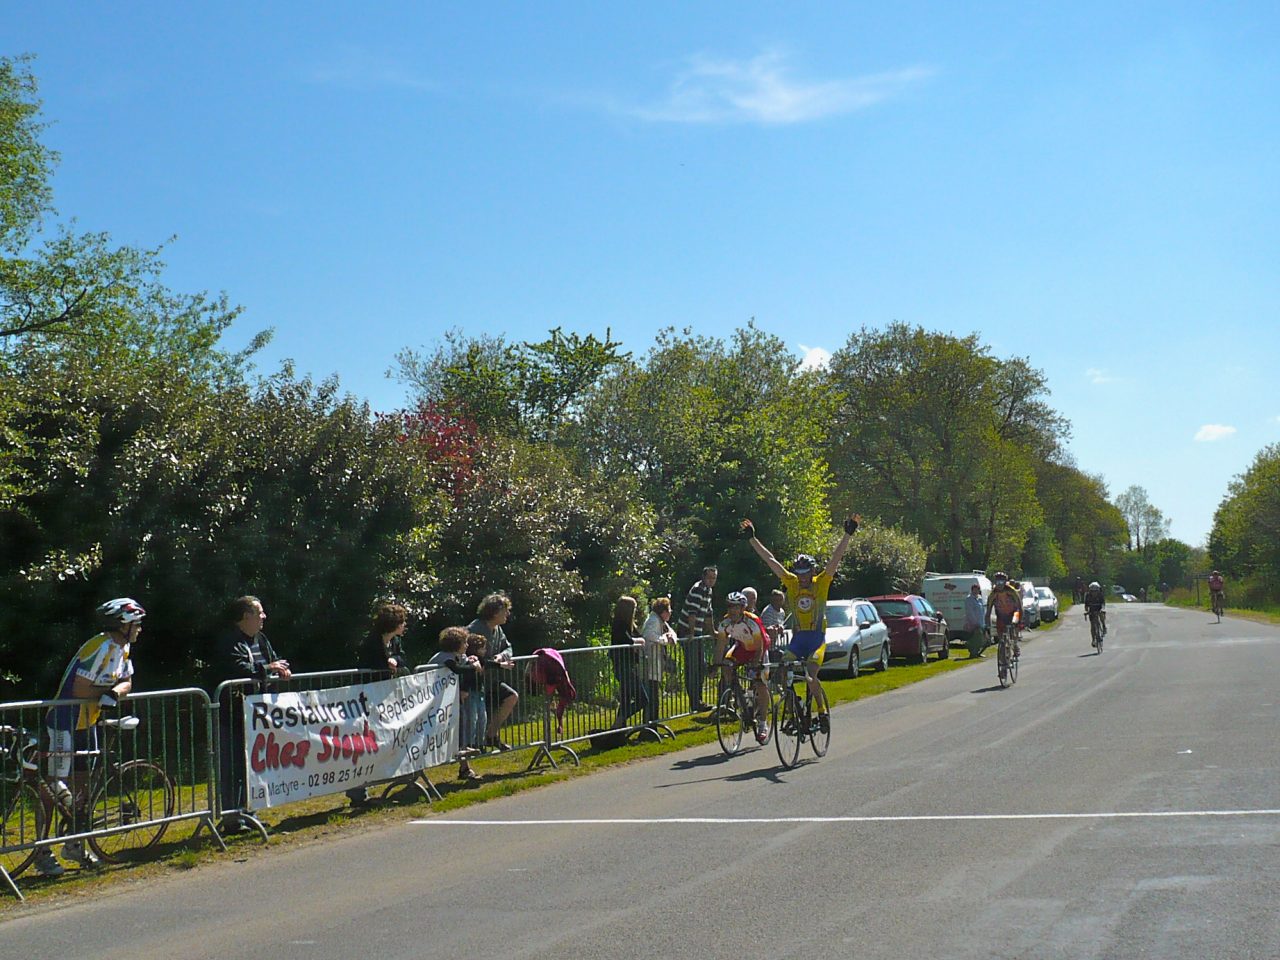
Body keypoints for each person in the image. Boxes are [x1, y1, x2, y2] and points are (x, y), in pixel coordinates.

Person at [35, 598, 145, 877]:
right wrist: (107, 694)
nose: (140, 629)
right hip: (65, 722)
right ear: (123, 625)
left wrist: (114, 693)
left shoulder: (123, 647)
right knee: (52, 788)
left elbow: (128, 681)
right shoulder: (99, 647)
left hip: (89, 722)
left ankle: (74, 843)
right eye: (136, 623)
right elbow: (81, 691)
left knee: (83, 786)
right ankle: (41, 851)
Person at [742, 514, 860, 734]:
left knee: (810, 675)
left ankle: (822, 711)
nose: (803, 578)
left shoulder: (822, 583)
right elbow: (771, 561)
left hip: (816, 640)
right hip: (797, 641)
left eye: (806, 574)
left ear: (813, 572)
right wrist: (752, 540)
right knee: (784, 673)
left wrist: (847, 534)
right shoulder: (792, 583)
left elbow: (835, 559)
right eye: (799, 574)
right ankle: (793, 711)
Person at [212, 596, 292, 832]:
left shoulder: (261, 639)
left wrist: (280, 669)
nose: (263, 617)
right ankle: (231, 818)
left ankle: (249, 814)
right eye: (260, 613)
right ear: (246, 617)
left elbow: (273, 660)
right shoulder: (230, 641)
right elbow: (238, 668)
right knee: (232, 767)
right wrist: (268, 669)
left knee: (250, 767)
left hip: (255, 716)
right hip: (232, 714)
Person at [347, 601, 411, 806]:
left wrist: (395, 662)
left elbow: (402, 659)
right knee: (364, 742)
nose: (404, 626)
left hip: (386, 698)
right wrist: (386, 664)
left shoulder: (394, 642)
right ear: (393, 623)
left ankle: (393, 778)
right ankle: (357, 792)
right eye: (402, 622)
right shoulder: (372, 642)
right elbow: (370, 663)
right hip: (367, 698)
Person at [428, 627, 484, 781]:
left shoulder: (460, 656)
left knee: (460, 728)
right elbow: (457, 669)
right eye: (464, 642)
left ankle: (464, 768)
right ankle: (413, 775)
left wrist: (475, 662)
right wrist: (473, 666)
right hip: (433, 705)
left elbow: (469, 671)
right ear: (456, 644)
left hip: (449, 704)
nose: (467, 645)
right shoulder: (444, 657)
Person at [716, 592, 771, 743]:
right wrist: (716, 664)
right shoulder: (725, 623)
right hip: (742, 648)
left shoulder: (752, 621)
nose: (733, 611)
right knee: (726, 663)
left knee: (760, 683)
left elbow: (760, 646)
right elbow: (720, 645)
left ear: (742, 609)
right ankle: (738, 693)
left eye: (736, 607)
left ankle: (762, 723)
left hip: (759, 649)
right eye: (730, 607)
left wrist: (755, 663)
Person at [468, 593, 519, 751]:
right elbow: (469, 655)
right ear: (495, 612)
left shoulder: (498, 629)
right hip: (473, 683)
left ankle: (491, 735)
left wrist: (501, 655)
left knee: (511, 697)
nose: (507, 614)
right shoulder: (475, 628)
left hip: (490, 681)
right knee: (473, 718)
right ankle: (472, 748)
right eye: (505, 611)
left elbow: (508, 647)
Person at [679, 566, 718, 712]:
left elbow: (709, 613)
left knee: (700, 666)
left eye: (713, 578)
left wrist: (712, 631)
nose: (711, 580)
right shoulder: (698, 589)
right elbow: (692, 613)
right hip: (688, 631)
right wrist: (691, 632)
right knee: (693, 668)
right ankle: (695, 702)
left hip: (697, 632)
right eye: (709, 577)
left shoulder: (708, 591)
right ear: (703, 577)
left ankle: (698, 700)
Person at [609, 596, 647, 729]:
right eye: (634, 608)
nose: (635, 611)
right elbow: (627, 640)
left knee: (626, 699)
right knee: (643, 699)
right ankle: (619, 721)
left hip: (629, 665)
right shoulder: (619, 625)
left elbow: (638, 636)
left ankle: (619, 728)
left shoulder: (629, 624)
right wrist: (639, 642)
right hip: (624, 667)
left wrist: (639, 640)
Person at [640, 597, 676, 725]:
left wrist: (671, 636)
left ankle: (653, 725)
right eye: (669, 610)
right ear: (663, 611)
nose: (671, 612)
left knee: (654, 697)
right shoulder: (653, 621)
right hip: (650, 663)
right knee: (651, 697)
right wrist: (665, 639)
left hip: (656, 664)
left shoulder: (660, 621)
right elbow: (650, 636)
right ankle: (649, 726)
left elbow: (672, 632)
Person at [985, 573, 1023, 670]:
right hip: (1001, 616)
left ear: (1005, 582)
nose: (999, 584)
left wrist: (1020, 620)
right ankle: (1003, 659)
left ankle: (1014, 645)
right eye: (997, 582)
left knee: (1014, 625)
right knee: (1001, 637)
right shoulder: (993, 594)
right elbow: (988, 611)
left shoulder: (1011, 590)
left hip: (1013, 613)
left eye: (1001, 581)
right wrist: (987, 625)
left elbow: (1019, 605)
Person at [963, 583, 989, 659]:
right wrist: (975, 623)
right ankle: (973, 653)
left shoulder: (980, 598)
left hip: (981, 623)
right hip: (974, 624)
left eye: (977, 589)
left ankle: (978, 653)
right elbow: (970, 612)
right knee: (976, 640)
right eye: (974, 589)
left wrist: (984, 622)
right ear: (972, 590)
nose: (976, 591)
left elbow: (982, 611)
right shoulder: (969, 599)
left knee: (986, 641)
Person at [1082, 580, 1107, 646]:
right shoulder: (1088, 596)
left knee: (1101, 615)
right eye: (1092, 591)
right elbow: (1086, 605)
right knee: (1093, 626)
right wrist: (1087, 611)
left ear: (1098, 590)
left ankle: (1103, 625)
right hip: (1092, 610)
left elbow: (1103, 604)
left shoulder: (1100, 595)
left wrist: (1102, 609)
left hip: (1099, 608)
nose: (1094, 593)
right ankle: (1093, 639)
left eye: (1096, 591)